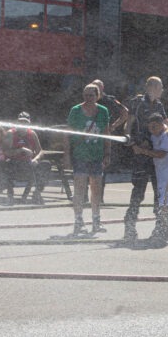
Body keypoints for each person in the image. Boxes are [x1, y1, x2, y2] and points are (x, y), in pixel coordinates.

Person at [123, 76, 168, 243]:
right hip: (140, 153)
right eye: (160, 87)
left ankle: (160, 227)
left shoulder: (159, 105)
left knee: (158, 192)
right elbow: (128, 124)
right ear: (152, 87)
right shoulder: (137, 102)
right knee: (138, 191)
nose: (162, 90)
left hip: (155, 155)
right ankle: (129, 227)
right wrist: (130, 140)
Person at [65, 84, 110, 236]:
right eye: (85, 95)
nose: (88, 98)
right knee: (79, 188)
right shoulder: (76, 111)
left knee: (96, 188)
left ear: (97, 96)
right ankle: (78, 220)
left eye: (91, 95)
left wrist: (107, 153)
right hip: (80, 154)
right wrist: (66, 154)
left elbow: (106, 133)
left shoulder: (103, 111)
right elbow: (68, 134)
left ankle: (96, 219)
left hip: (96, 155)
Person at [132, 113, 168, 244]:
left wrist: (141, 151)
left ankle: (162, 228)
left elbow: (161, 154)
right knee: (167, 197)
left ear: (161, 124)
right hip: (160, 171)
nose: (152, 130)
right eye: (150, 127)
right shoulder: (154, 134)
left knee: (163, 199)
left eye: (154, 127)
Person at [1, 111, 50, 205]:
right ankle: (10, 195)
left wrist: (36, 159)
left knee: (46, 165)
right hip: (14, 163)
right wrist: (20, 150)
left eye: (25, 122)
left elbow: (40, 151)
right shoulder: (11, 134)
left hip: (28, 163)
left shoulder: (32, 134)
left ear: (29, 123)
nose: (22, 124)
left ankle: (36, 193)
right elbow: (5, 152)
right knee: (4, 164)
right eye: (20, 122)